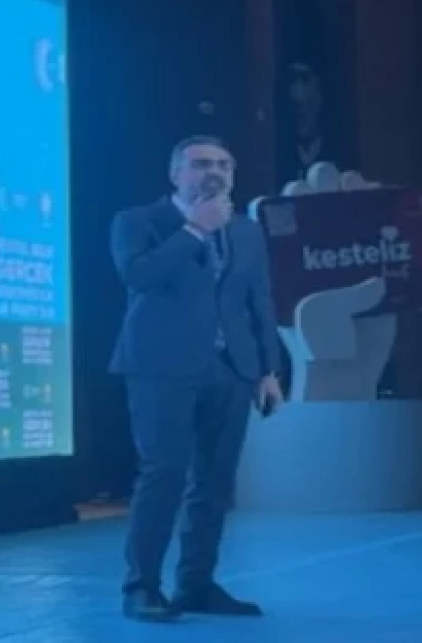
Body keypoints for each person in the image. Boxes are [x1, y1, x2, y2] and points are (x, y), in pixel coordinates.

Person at [109, 134, 284, 622]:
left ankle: (196, 584)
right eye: (201, 164)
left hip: (231, 369)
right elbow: (139, 276)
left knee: (214, 484)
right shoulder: (138, 221)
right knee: (163, 475)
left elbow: (258, 300)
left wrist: (268, 369)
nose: (214, 173)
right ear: (175, 174)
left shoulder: (246, 231)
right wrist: (193, 230)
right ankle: (141, 587)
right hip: (160, 368)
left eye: (224, 165)